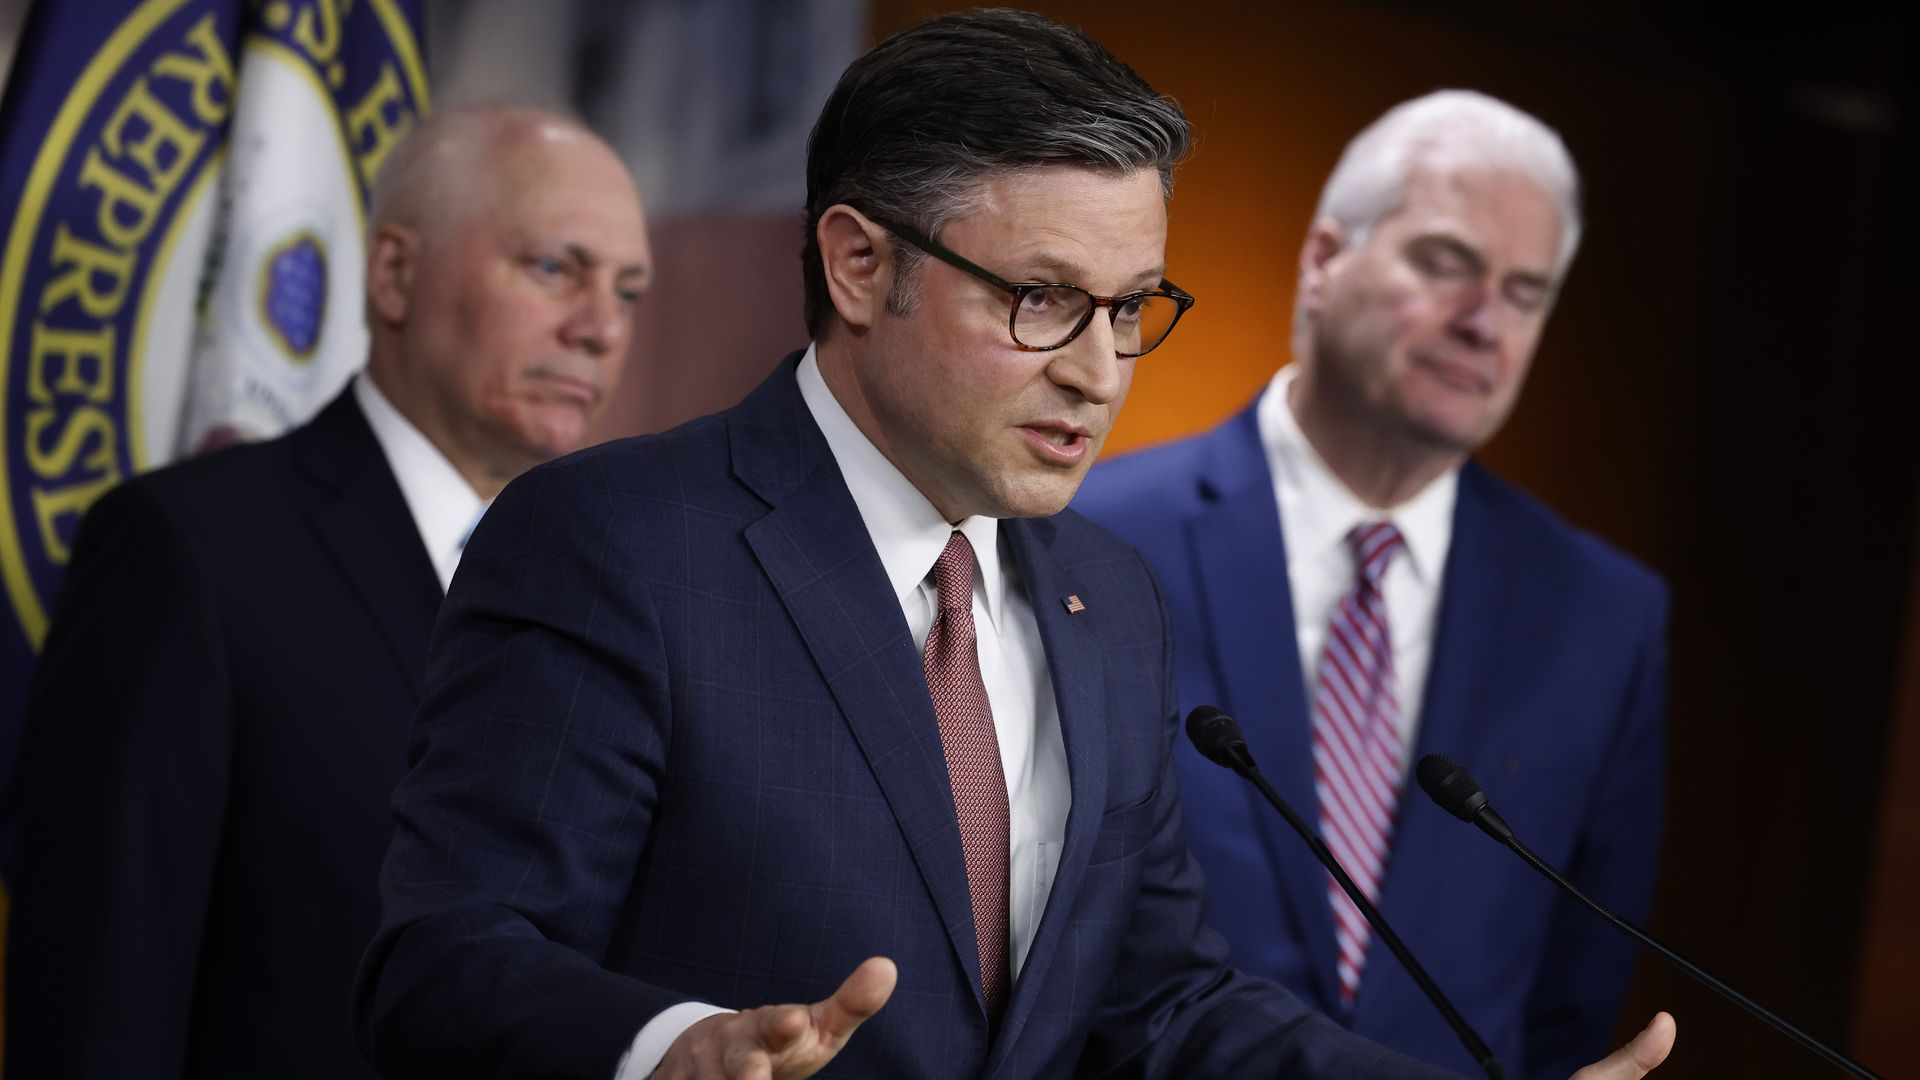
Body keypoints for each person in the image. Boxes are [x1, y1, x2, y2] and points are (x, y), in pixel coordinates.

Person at [354, 15, 1672, 1079]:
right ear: (862, 266)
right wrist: (664, 1051)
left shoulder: (1111, 598)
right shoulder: (612, 546)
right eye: (1043, 300)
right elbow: (448, 963)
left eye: (1133, 309)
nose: (1102, 373)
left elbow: (1160, 1004)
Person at [4, 105, 652, 1079]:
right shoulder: (192, 551)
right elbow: (98, 1001)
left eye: (629, 290)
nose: (601, 328)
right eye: (553, 267)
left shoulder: (624, 590)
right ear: (393, 273)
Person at [1074, 90, 1667, 1079]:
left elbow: (1574, 991)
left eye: (1525, 293)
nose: (1484, 322)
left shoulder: (1606, 617)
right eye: (1445, 264)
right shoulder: (1087, 537)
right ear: (1321, 260)